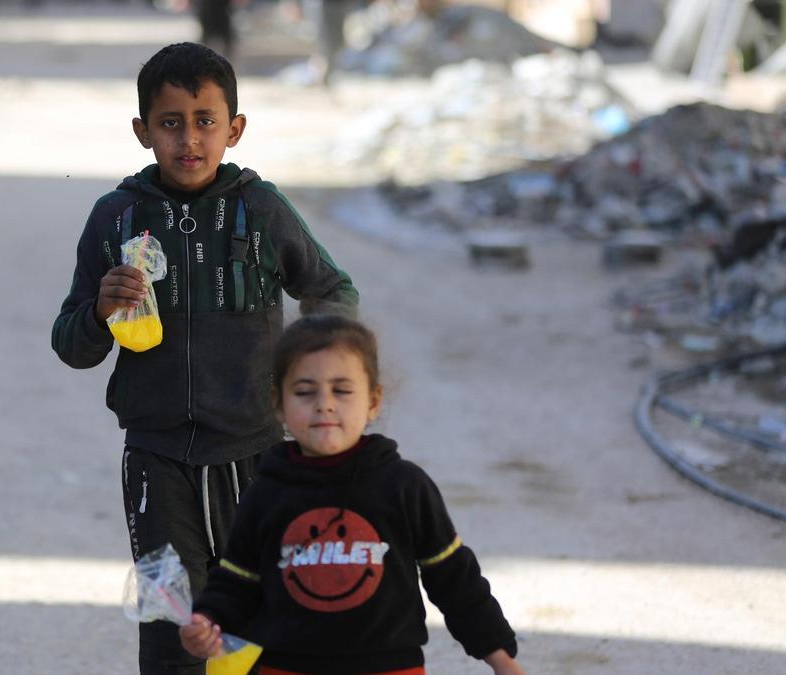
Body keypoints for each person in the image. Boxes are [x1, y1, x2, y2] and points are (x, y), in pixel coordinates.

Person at [51, 42, 358, 675]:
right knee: (172, 607)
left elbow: (330, 290)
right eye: (170, 123)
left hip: (256, 449)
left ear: (234, 129)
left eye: (205, 121)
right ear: (142, 132)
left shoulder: (261, 209)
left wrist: (316, 375)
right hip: (156, 453)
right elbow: (72, 344)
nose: (188, 139)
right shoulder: (116, 219)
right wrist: (102, 311)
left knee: (258, 602)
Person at [179, 315, 526, 675]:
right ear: (278, 404)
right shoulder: (265, 493)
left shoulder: (404, 487)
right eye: (304, 391)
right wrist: (208, 620)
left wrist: (500, 658)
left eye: (342, 390)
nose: (324, 404)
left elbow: (456, 581)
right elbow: (236, 582)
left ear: (374, 401)